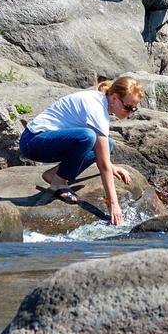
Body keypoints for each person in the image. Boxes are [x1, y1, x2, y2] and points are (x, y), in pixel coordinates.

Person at [20, 77, 141, 226]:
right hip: (33, 141)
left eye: (134, 109)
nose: (130, 112)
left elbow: (103, 155)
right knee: (88, 136)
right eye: (128, 107)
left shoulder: (103, 102)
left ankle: (54, 175)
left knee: (106, 144)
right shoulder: (97, 108)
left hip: (46, 141)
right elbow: (102, 166)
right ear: (115, 97)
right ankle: (59, 182)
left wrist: (111, 166)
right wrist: (114, 204)